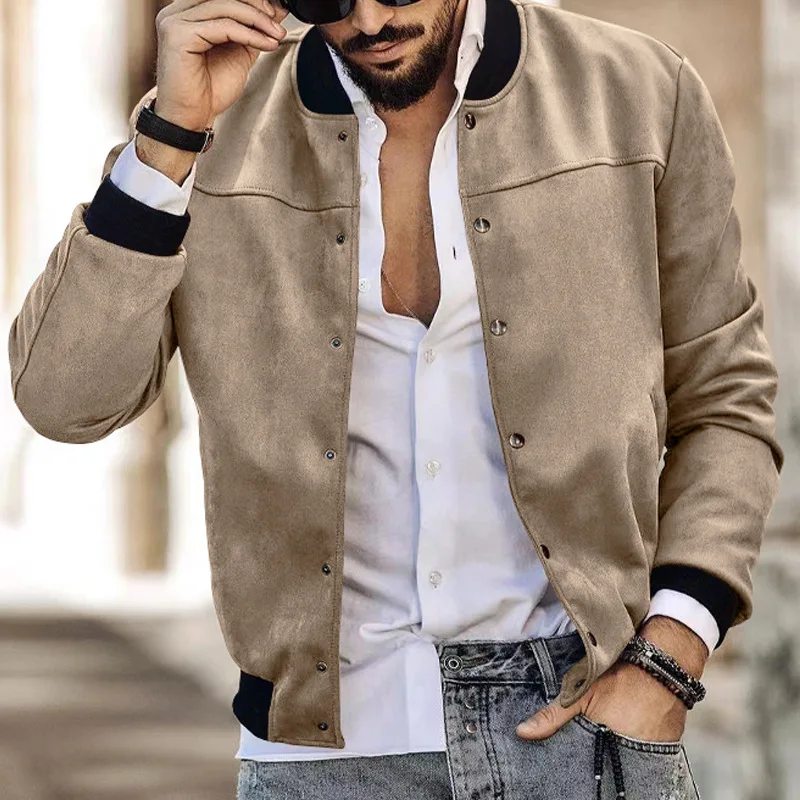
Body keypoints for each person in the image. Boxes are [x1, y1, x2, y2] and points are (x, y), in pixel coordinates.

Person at [7, 0, 783, 797]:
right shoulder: (210, 129)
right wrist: (168, 142)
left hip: (586, 734)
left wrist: (670, 655)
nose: (372, 18)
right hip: (320, 760)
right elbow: (63, 398)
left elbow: (725, 398)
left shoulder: (637, 92)